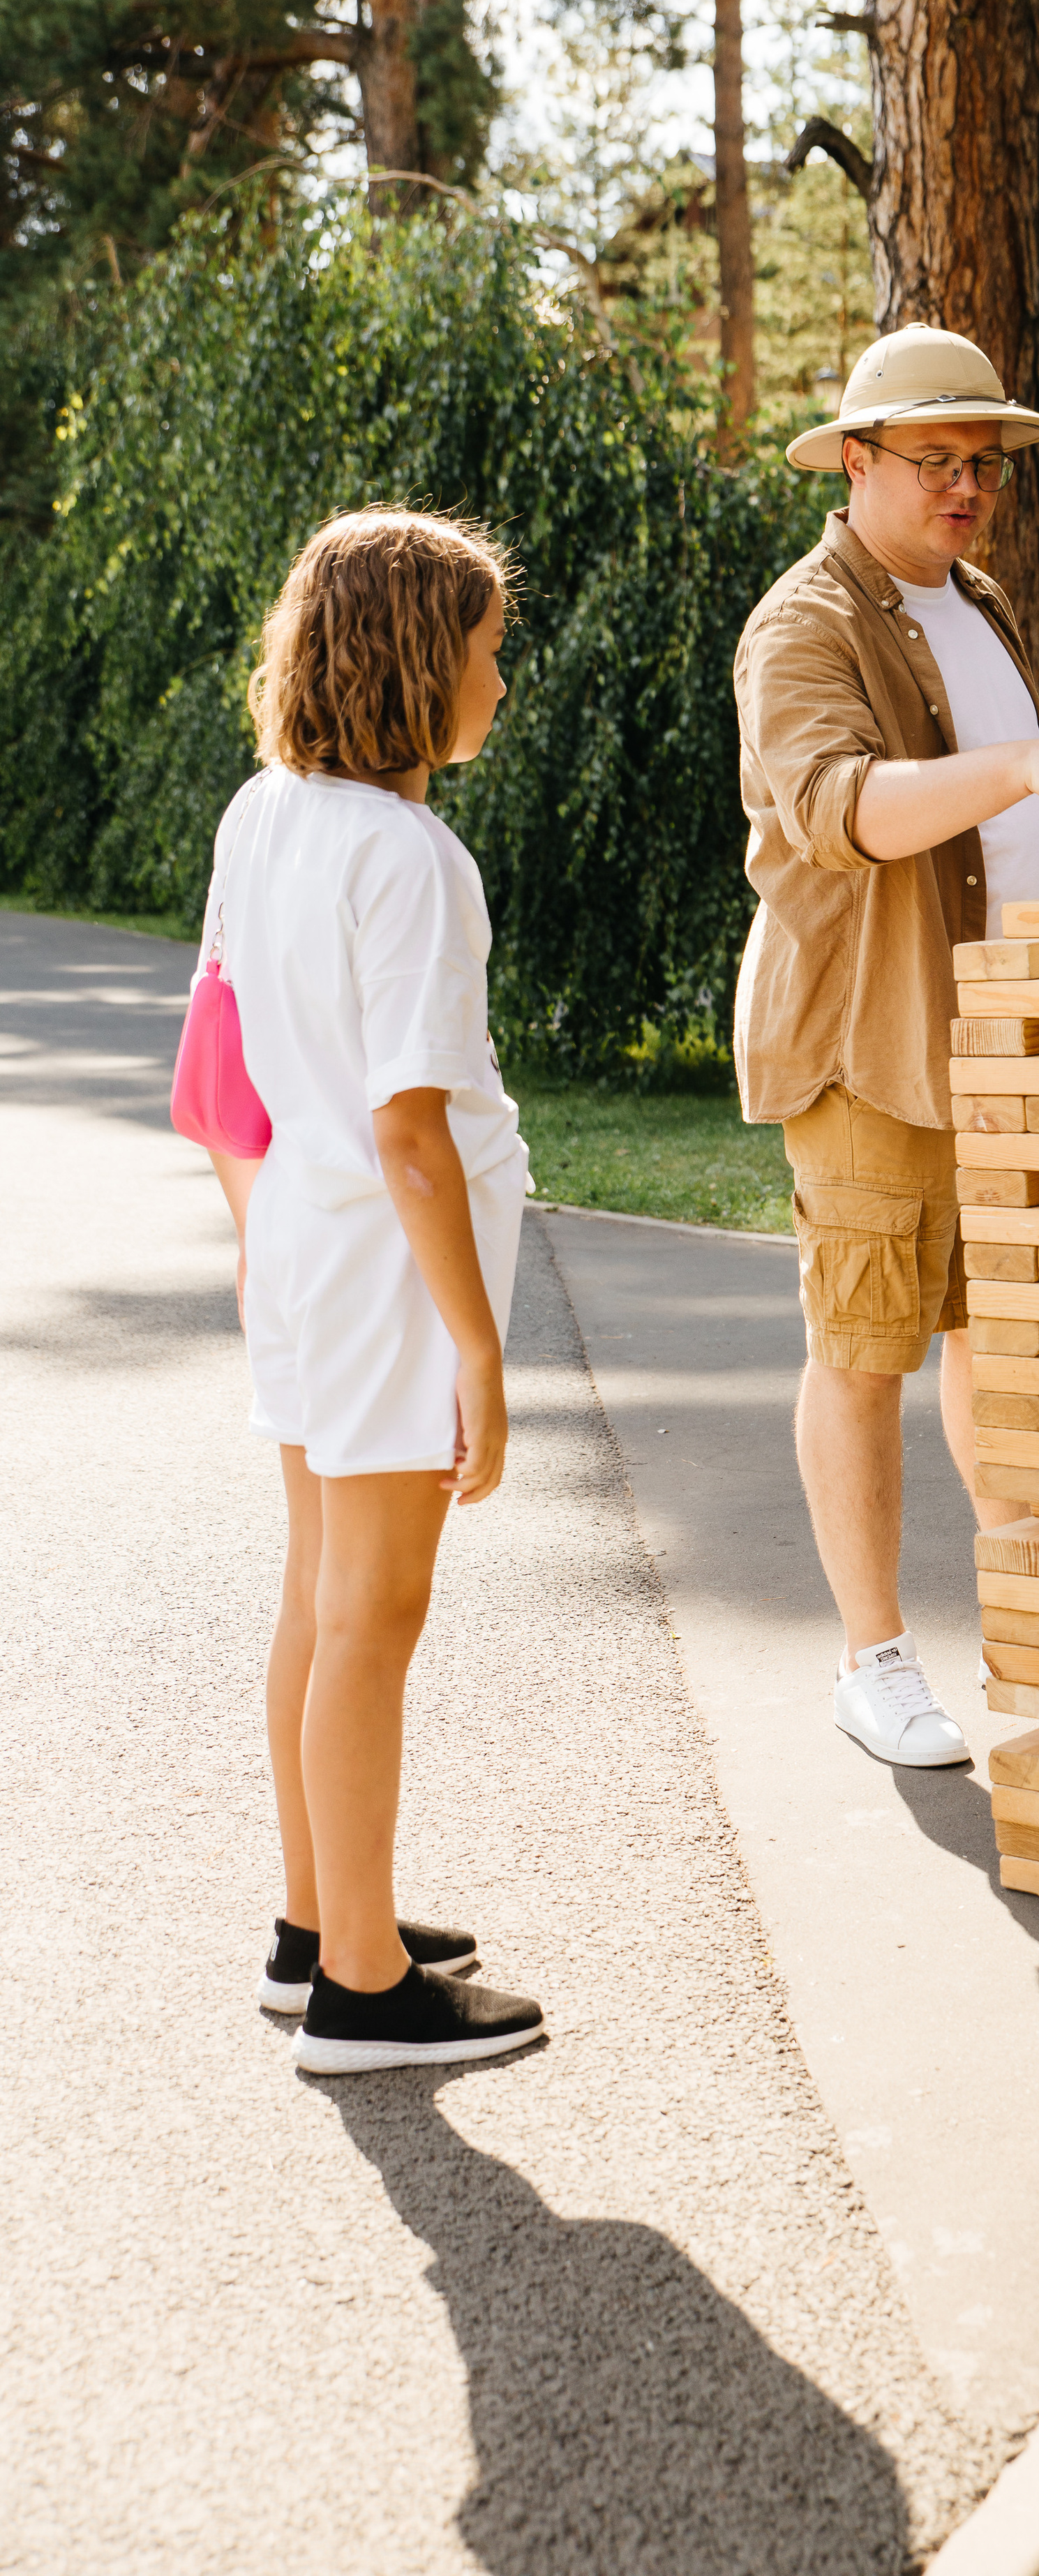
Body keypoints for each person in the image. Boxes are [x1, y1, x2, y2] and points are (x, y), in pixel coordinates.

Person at [732, 323, 1039, 1769]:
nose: (968, 485)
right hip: (875, 1050)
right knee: (864, 1351)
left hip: (1013, 1049)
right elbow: (839, 810)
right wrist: (1024, 764)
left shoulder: (975, 601)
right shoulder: (803, 624)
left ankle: (1034, 1626)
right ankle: (874, 1662)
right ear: (855, 462)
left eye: (985, 462)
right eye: (936, 460)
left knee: (996, 1339)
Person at [197, 508, 546, 2069]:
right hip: (386, 1273)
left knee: (318, 1596)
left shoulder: (262, 812)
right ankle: (359, 1984)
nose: (499, 681)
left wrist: (261, 1240)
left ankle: (314, 1925)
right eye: (486, 650)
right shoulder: (412, 860)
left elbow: (222, 1064)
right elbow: (412, 1131)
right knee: (373, 1616)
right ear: (417, 661)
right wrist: (479, 1351)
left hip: (303, 1245)